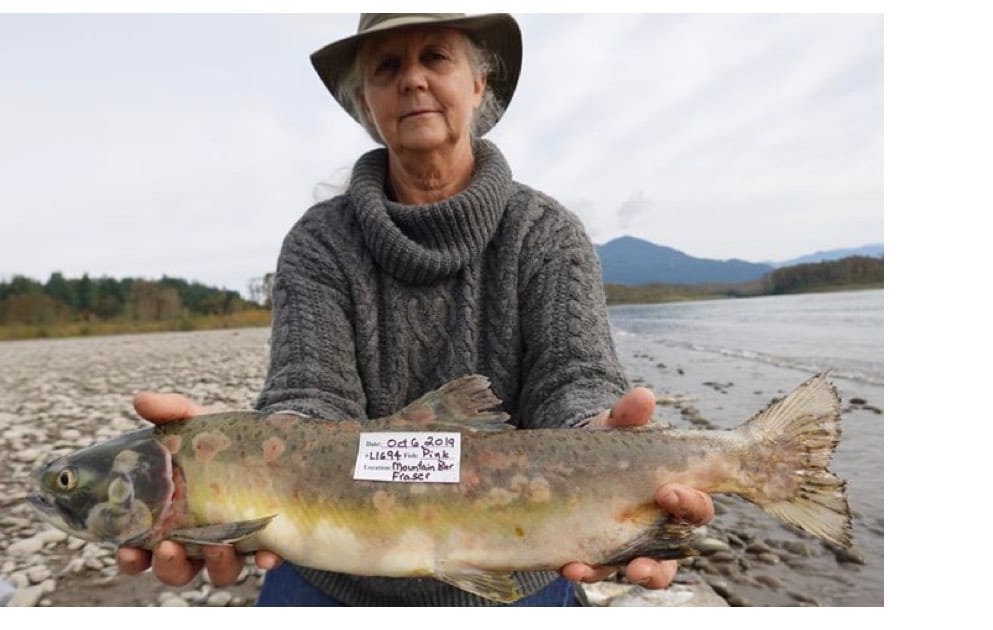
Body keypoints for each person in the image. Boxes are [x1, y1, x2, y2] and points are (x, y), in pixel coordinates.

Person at [117, 13, 714, 606]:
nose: (412, 80)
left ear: (479, 83)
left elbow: (573, 381)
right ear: (365, 103)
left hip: (522, 557)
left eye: (435, 57)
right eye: (387, 66)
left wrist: (604, 439)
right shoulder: (319, 241)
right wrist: (224, 458)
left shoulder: (546, 232)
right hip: (334, 575)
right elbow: (311, 394)